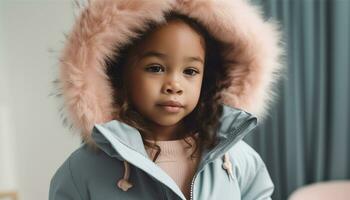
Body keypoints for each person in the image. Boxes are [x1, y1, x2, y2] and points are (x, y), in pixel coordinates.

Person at [49, 0, 284, 199]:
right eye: (155, 68)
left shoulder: (238, 159)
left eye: (190, 71)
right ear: (117, 73)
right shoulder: (83, 169)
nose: (174, 85)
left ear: (209, 77)